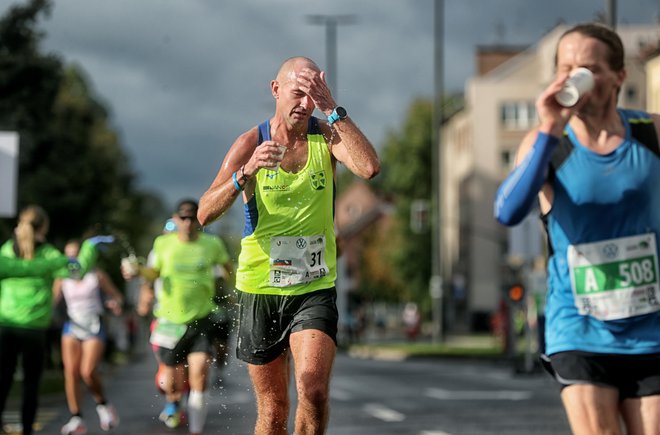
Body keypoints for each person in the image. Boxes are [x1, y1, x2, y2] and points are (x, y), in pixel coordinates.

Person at [198, 56, 380, 434]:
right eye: (298, 93)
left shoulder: (326, 136)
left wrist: (332, 109)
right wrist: (244, 174)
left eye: (312, 96)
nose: (304, 104)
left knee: (313, 390)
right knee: (274, 408)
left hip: (313, 286)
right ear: (275, 90)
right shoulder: (251, 142)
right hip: (260, 288)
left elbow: (369, 168)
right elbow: (204, 213)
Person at [494, 23, 660, 434]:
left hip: (651, 328)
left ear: (618, 76)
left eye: (587, 67)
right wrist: (549, 129)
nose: (573, 77)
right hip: (579, 328)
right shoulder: (549, 143)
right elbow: (508, 211)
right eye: (565, 67)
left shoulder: (651, 132)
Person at [127, 199, 232, 435]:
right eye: (183, 218)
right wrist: (137, 271)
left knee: (199, 377)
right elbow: (153, 273)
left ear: (199, 220)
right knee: (171, 385)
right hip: (170, 322)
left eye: (193, 218)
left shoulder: (212, 244)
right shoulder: (163, 244)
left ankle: (196, 430)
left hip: (201, 319)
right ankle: (174, 403)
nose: (188, 223)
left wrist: (237, 287)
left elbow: (229, 268)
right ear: (175, 219)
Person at [0, 205, 100, 435]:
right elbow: (78, 271)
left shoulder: (6, 250)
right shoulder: (50, 255)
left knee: (3, 380)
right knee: (31, 385)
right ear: (43, 227)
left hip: (6, 325)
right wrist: (89, 248)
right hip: (34, 329)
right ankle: (27, 430)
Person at [54, 240, 122, 434]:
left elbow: (117, 296)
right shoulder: (61, 277)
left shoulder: (96, 275)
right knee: (71, 373)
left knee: (87, 371)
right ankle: (77, 418)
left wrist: (113, 302)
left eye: (76, 255)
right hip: (72, 326)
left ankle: (103, 405)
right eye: (69, 256)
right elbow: (50, 301)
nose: (73, 260)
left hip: (93, 325)